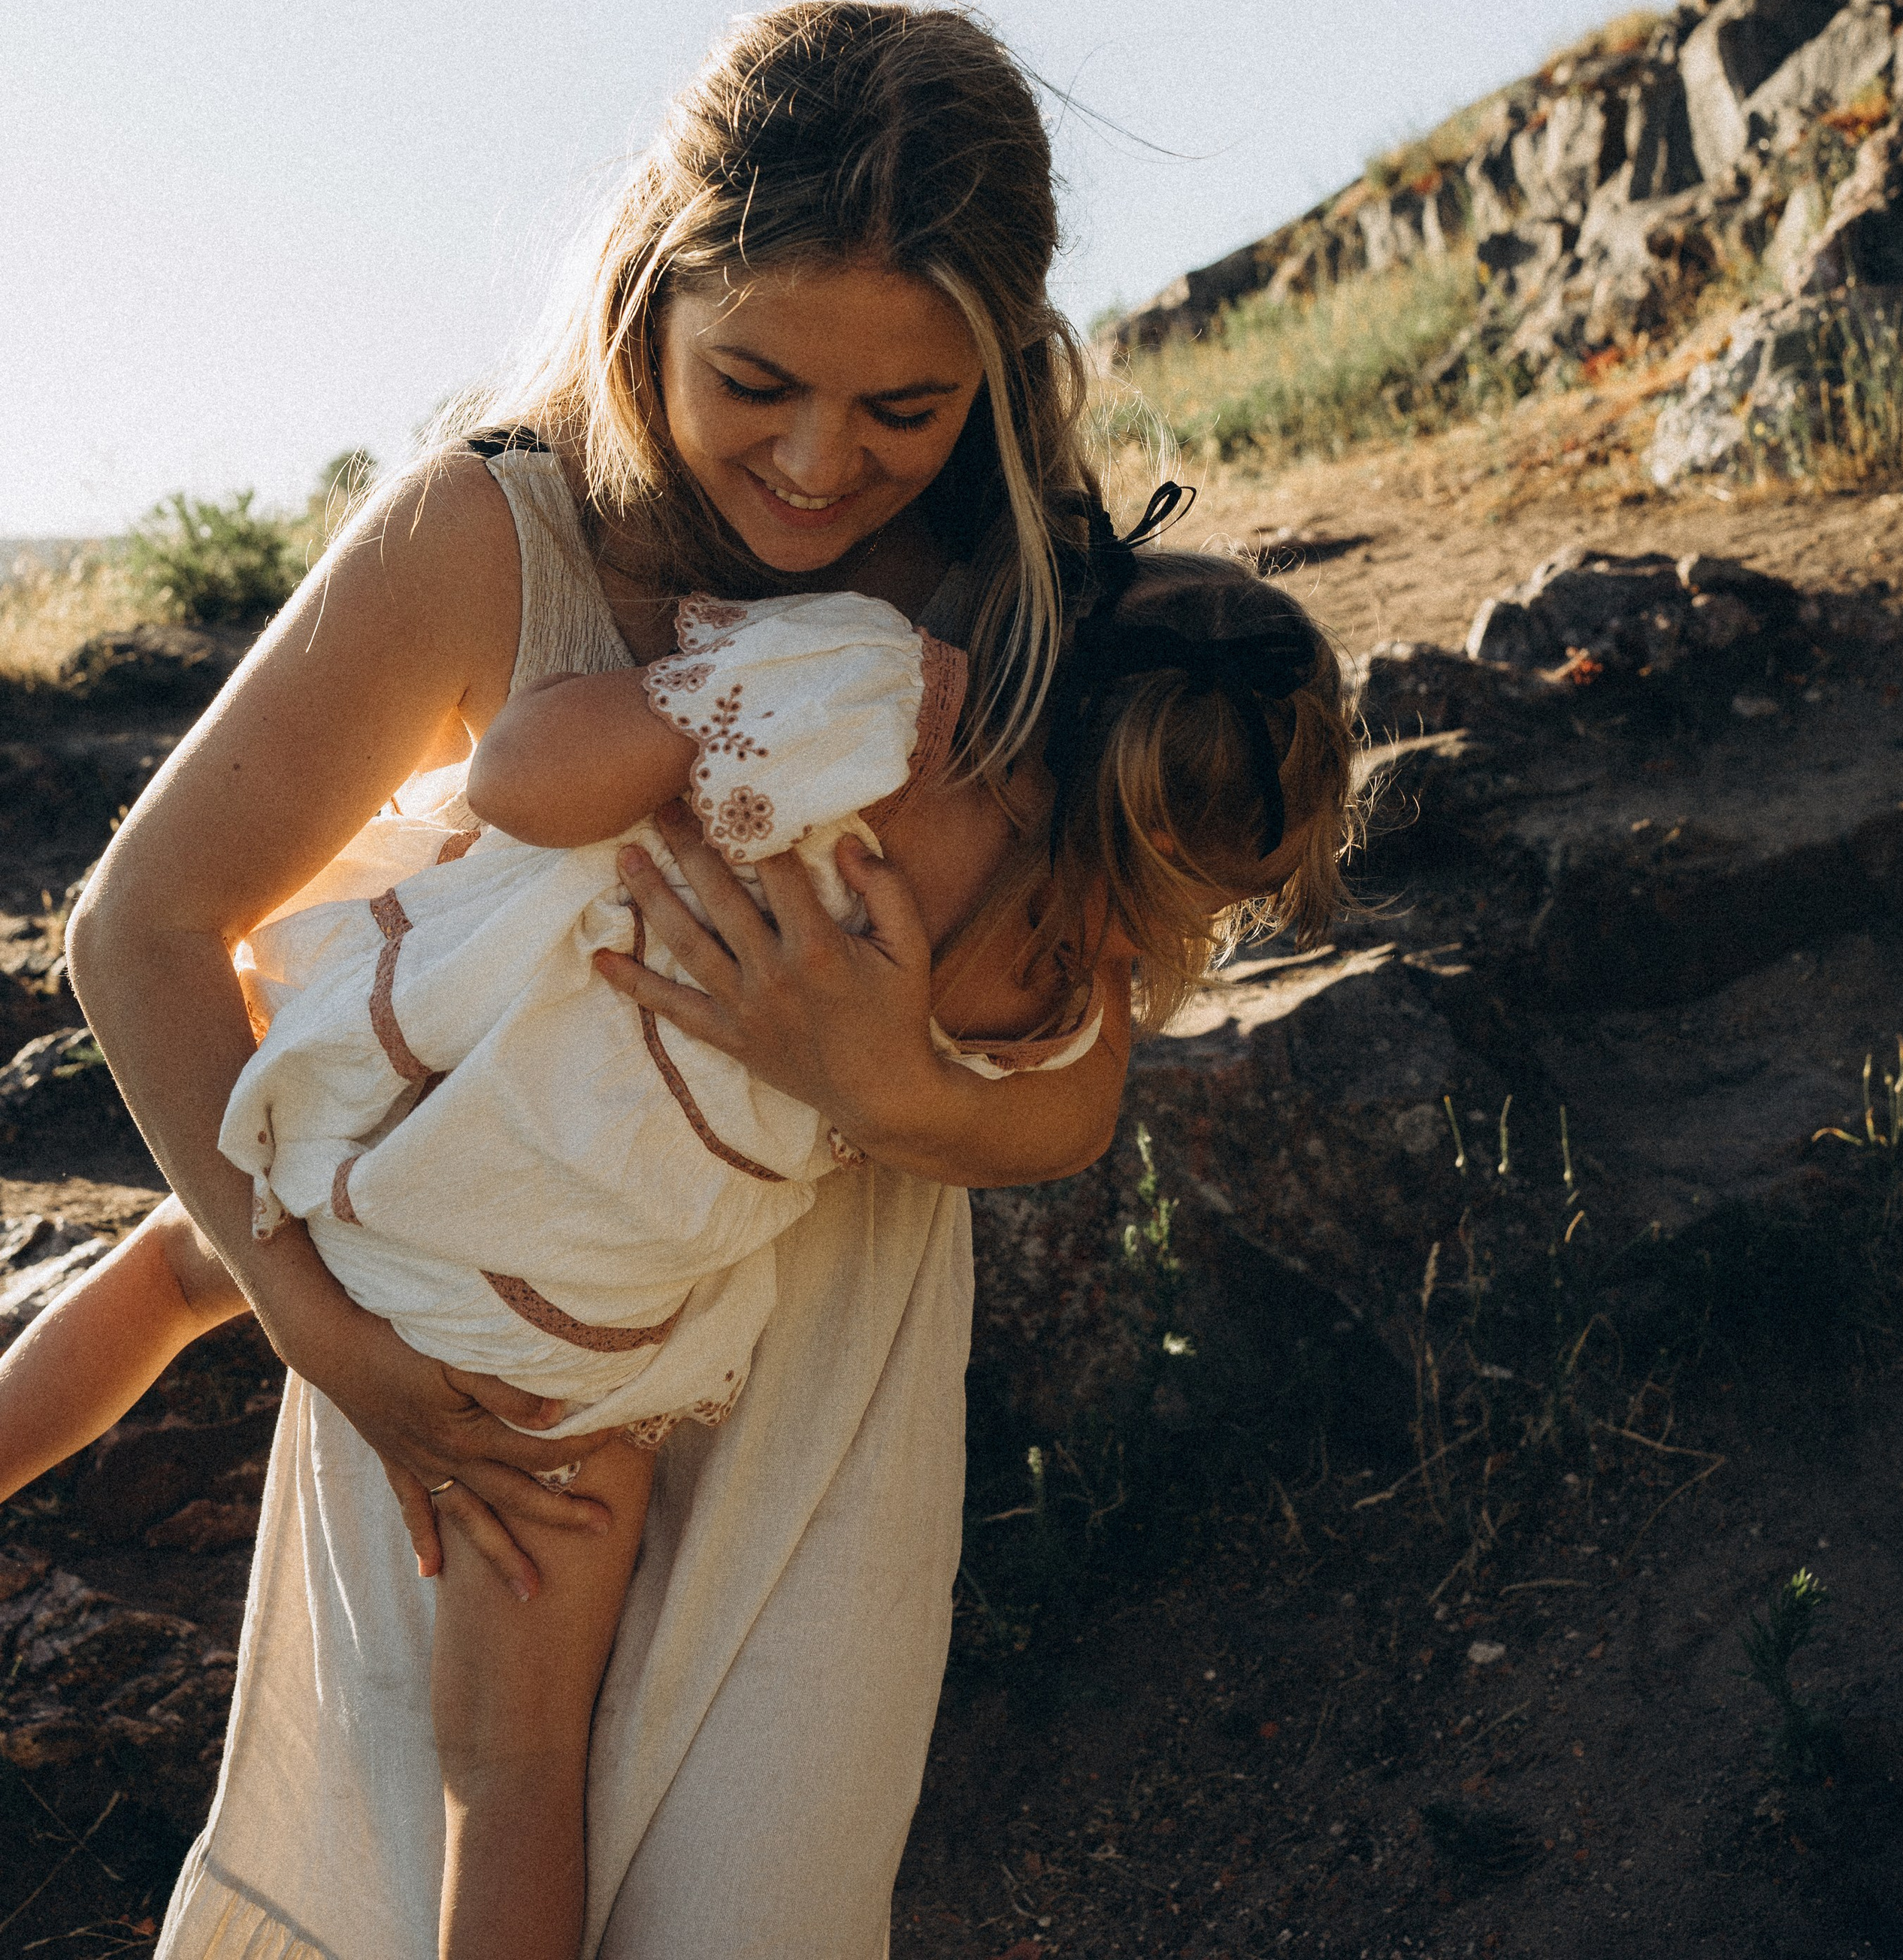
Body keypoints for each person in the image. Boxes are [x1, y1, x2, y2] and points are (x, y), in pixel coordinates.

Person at [57, 1, 1334, 1958]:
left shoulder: (1031, 626)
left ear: (998, 376)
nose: (823, 466)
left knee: (756, 1908)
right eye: (757, 380)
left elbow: (1074, 1097)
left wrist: (866, 1067)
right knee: (430, 1871)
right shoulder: (489, 536)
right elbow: (137, 930)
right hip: (482, 1352)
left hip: (818, 1379)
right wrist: (333, 1333)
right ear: (649, 296)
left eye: (906, 413)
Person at [5, 534, 1352, 1960]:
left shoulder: (873, 692)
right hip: (561, 1332)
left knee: (162, 1279)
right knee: (510, 1778)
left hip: (408, 1122)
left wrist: (673, 694)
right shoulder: (1059, 985)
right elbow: (1054, 1136)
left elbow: (521, 778)